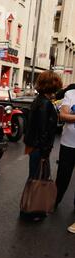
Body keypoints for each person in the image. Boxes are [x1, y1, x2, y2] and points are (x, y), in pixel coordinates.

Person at [23, 71, 62, 221]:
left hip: (34, 146)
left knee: (34, 178)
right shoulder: (45, 104)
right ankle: (31, 211)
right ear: (52, 85)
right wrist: (45, 153)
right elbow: (44, 130)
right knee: (37, 180)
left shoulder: (39, 100)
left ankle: (30, 209)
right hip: (39, 148)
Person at [55, 85, 75, 213]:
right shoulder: (71, 93)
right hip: (68, 143)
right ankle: (55, 201)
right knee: (62, 176)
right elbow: (63, 116)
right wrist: (68, 116)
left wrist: (71, 116)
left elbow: (68, 116)